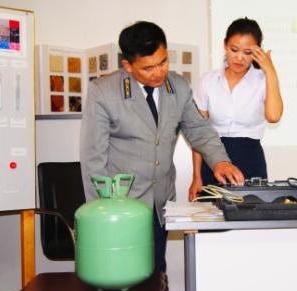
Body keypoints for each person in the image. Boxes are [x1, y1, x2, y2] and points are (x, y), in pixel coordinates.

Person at [80, 21, 244, 275]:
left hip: (160, 206)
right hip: (120, 209)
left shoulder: (177, 86)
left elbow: (199, 130)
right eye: (148, 67)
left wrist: (220, 160)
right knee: (121, 278)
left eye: (163, 62)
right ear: (127, 65)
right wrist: (102, 216)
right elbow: (93, 158)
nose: (159, 72)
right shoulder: (104, 92)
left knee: (156, 275)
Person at [188, 17, 283, 201]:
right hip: (213, 158)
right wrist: (196, 176)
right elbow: (198, 131)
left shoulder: (263, 80)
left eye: (248, 52)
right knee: (211, 220)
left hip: (250, 158)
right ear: (225, 45)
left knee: (250, 222)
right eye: (234, 50)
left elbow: (273, 116)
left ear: (257, 52)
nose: (239, 57)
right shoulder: (208, 81)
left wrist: (270, 71)